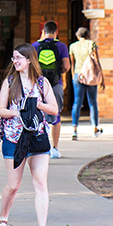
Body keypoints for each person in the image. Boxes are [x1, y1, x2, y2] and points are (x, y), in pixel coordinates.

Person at [0, 43, 58, 226]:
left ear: (29, 60)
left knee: (40, 182)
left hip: (37, 138)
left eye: (19, 58)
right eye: (13, 58)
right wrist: (17, 112)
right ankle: (3, 217)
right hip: (14, 139)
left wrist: (37, 105)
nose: (15, 61)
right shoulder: (10, 82)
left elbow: (54, 110)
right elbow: (0, 110)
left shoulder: (42, 83)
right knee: (14, 185)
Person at [32, 20, 70, 159]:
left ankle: (40, 146)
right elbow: (66, 66)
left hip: (38, 85)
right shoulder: (61, 46)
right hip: (55, 84)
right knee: (56, 114)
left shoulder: (35, 46)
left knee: (37, 114)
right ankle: (54, 148)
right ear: (56, 32)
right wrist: (58, 73)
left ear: (43, 31)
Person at [69, 27, 105, 140]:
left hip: (78, 75)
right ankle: (95, 128)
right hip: (90, 76)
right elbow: (97, 62)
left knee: (77, 102)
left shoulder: (73, 46)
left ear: (78, 36)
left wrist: (73, 76)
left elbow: (72, 63)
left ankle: (74, 130)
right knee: (92, 102)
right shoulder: (91, 44)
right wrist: (102, 78)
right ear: (88, 35)